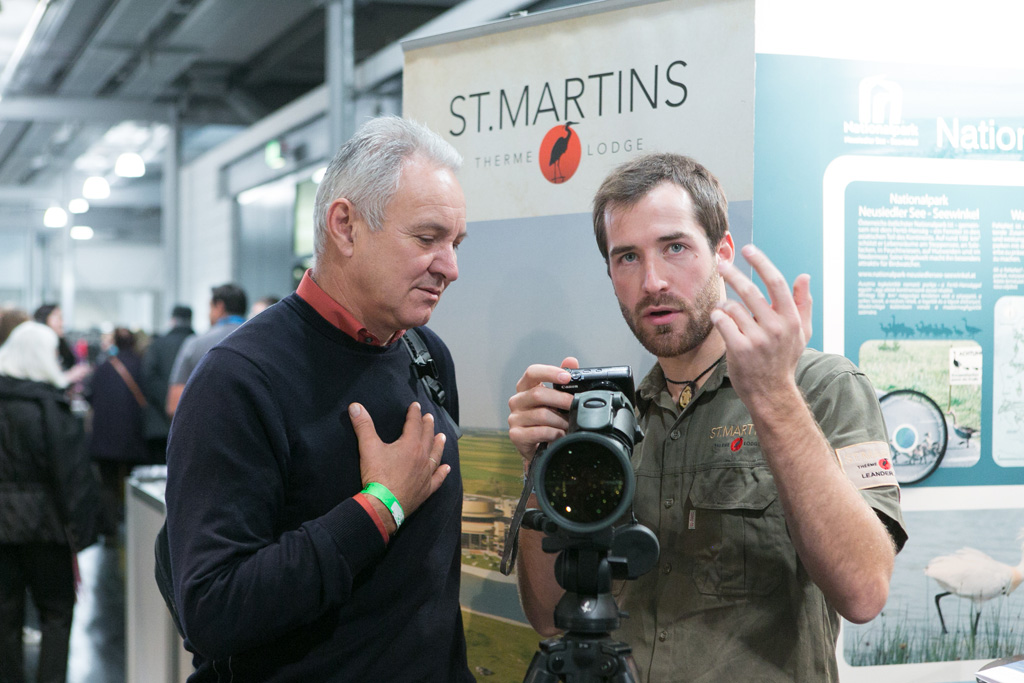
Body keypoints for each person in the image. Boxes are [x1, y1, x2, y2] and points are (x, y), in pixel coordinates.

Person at [507, 153, 907, 681]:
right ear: (610, 274)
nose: (652, 281)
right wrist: (541, 466)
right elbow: (548, 617)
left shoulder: (819, 387)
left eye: (675, 247)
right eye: (627, 257)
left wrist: (775, 399)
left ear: (723, 253)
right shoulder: (607, 419)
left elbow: (863, 592)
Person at [164, 115, 472, 681]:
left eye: (455, 243)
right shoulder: (238, 380)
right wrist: (380, 507)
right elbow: (212, 607)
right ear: (345, 227)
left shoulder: (426, 355)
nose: (450, 267)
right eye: (428, 239)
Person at [0, 321, 100, 683]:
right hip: (48, 529)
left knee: (4, 618)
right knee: (56, 615)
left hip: (2, 530)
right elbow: (73, 478)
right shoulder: (54, 409)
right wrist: (82, 533)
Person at [87, 327, 153, 543]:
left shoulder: (104, 366)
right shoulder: (141, 365)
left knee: (107, 484)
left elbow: (89, 394)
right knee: (134, 484)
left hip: (105, 436)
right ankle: (136, 529)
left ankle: (110, 531)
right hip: (133, 435)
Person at [165, 284, 246, 416]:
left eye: (210, 307)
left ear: (219, 306)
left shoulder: (195, 344)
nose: (208, 314)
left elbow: (174, 404)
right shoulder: (262, 343)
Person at [140, 305, 194, 459]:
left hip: (158, 425)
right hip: (190, 426)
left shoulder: (157, 345)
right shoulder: (197, 344)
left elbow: (148, 377)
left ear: (172, 320)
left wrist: (168, 402)